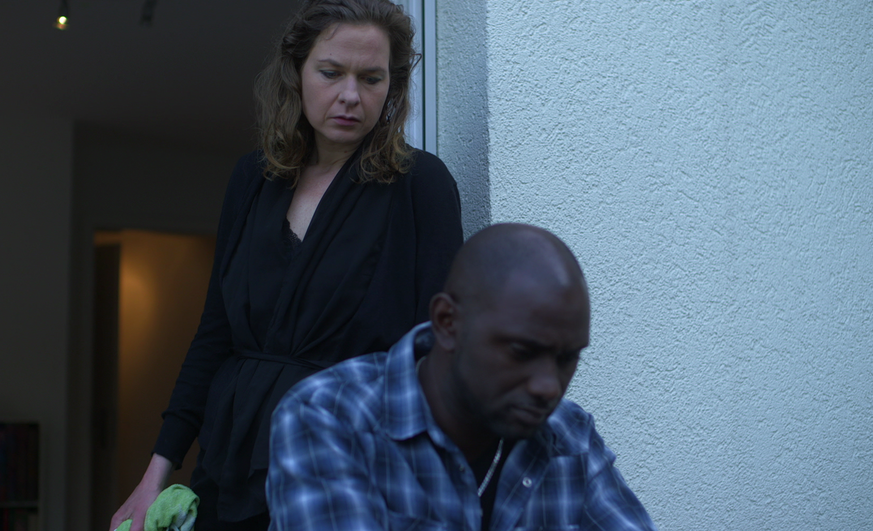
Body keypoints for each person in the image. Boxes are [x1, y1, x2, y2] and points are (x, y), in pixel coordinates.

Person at [110, 0, 464, 531]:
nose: (351, 95)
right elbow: (214, 334)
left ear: (392, 86)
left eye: (371, 78)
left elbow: (437, 353)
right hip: (232, 464)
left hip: (351, 473)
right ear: (296, 72)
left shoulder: (421, 185)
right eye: (331, 72)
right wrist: (157, 470)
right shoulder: (252, 180)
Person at [267, 223, 658, 531]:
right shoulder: (328, 416)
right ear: (447, 322)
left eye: (567, 359)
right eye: (521, 352)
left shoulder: (569, 435)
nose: (548, 386)